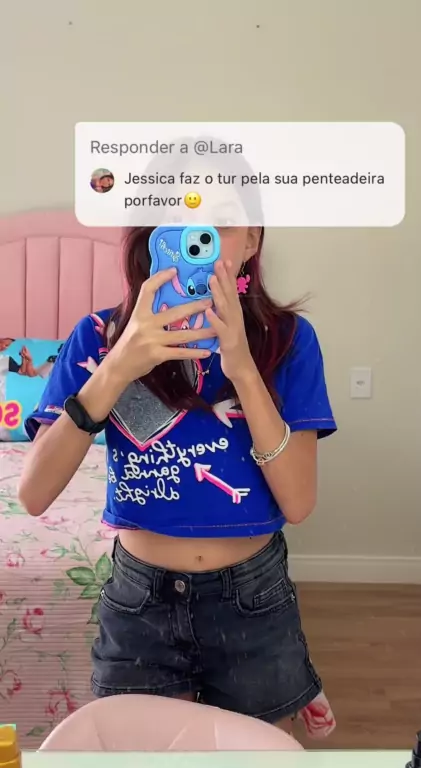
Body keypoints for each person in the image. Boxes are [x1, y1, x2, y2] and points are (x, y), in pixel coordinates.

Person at [18, 224, 337, 732]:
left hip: (253, 599)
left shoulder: (288, 339)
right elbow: (33, 494)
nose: (197, 239)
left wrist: (243, 370)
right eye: (178, 219)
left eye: (219, 224)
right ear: (152, 235)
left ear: (252, 240)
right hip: (139, 602)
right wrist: (117, 367)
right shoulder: (97, 337)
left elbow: (297, 503)